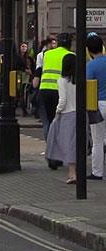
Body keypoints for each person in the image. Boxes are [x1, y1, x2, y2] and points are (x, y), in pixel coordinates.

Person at [40, 32, 73, 169]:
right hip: (61, 91)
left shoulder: (47, 54)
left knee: (48, 122)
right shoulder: (71, 56)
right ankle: (58, 155)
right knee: (60, 123)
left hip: (45, 89)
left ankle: (51, 154)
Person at [46, 53, 79, 184]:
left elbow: (63, 100)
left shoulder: (62, 81)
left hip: (67, 114)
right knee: (77, 144)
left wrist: (57, 112)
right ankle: (77, 172)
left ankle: (72, 173)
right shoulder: (81, 80)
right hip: (81, 113)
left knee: (67, 144)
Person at [87, 34, 106, 180]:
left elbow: (87, 86)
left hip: (97, 104)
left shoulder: (90, 66)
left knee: (97, 140)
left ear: (89, 50)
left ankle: (97, 172)